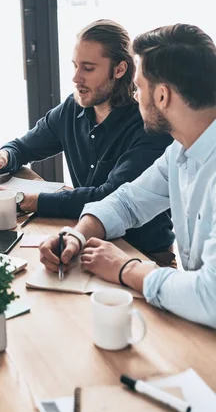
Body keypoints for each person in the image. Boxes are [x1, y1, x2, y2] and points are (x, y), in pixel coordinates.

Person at [39, 23, 216, 329]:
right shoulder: (180, 151)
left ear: (162, 96)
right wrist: (78, 235)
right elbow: (128, 202)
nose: (135, 97)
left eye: (138, 88)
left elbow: (209, 296)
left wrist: (125, 268)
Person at [0, 20, 174, 259]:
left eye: (88, 68)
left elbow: (109, 196)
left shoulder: (148, 124)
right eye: (75, 66)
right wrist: (3, 157)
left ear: (120, 69)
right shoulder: (74, 107)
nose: (76, 78)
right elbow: (22, 147)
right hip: (89, 241)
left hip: (143, 254)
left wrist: (25, 200)